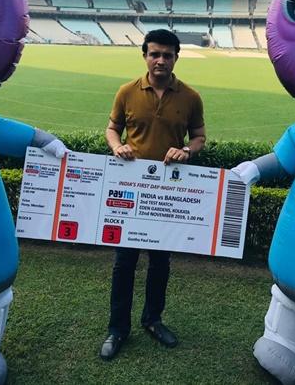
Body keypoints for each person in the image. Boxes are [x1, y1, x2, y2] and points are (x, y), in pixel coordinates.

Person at [100, 29, 206, 360]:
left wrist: (187, 150)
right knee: (124, 263)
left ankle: (153, 320)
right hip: (132, 191)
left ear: (176, 57)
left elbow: (200, 136)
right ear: (145, 55)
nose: (160, 60)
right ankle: (117, 329)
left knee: (160, 263)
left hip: (168, 193)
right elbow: (112, 128)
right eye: (154, 54)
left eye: (167, 55)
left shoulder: (190, 97)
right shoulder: (127, 92)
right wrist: (117, 146)